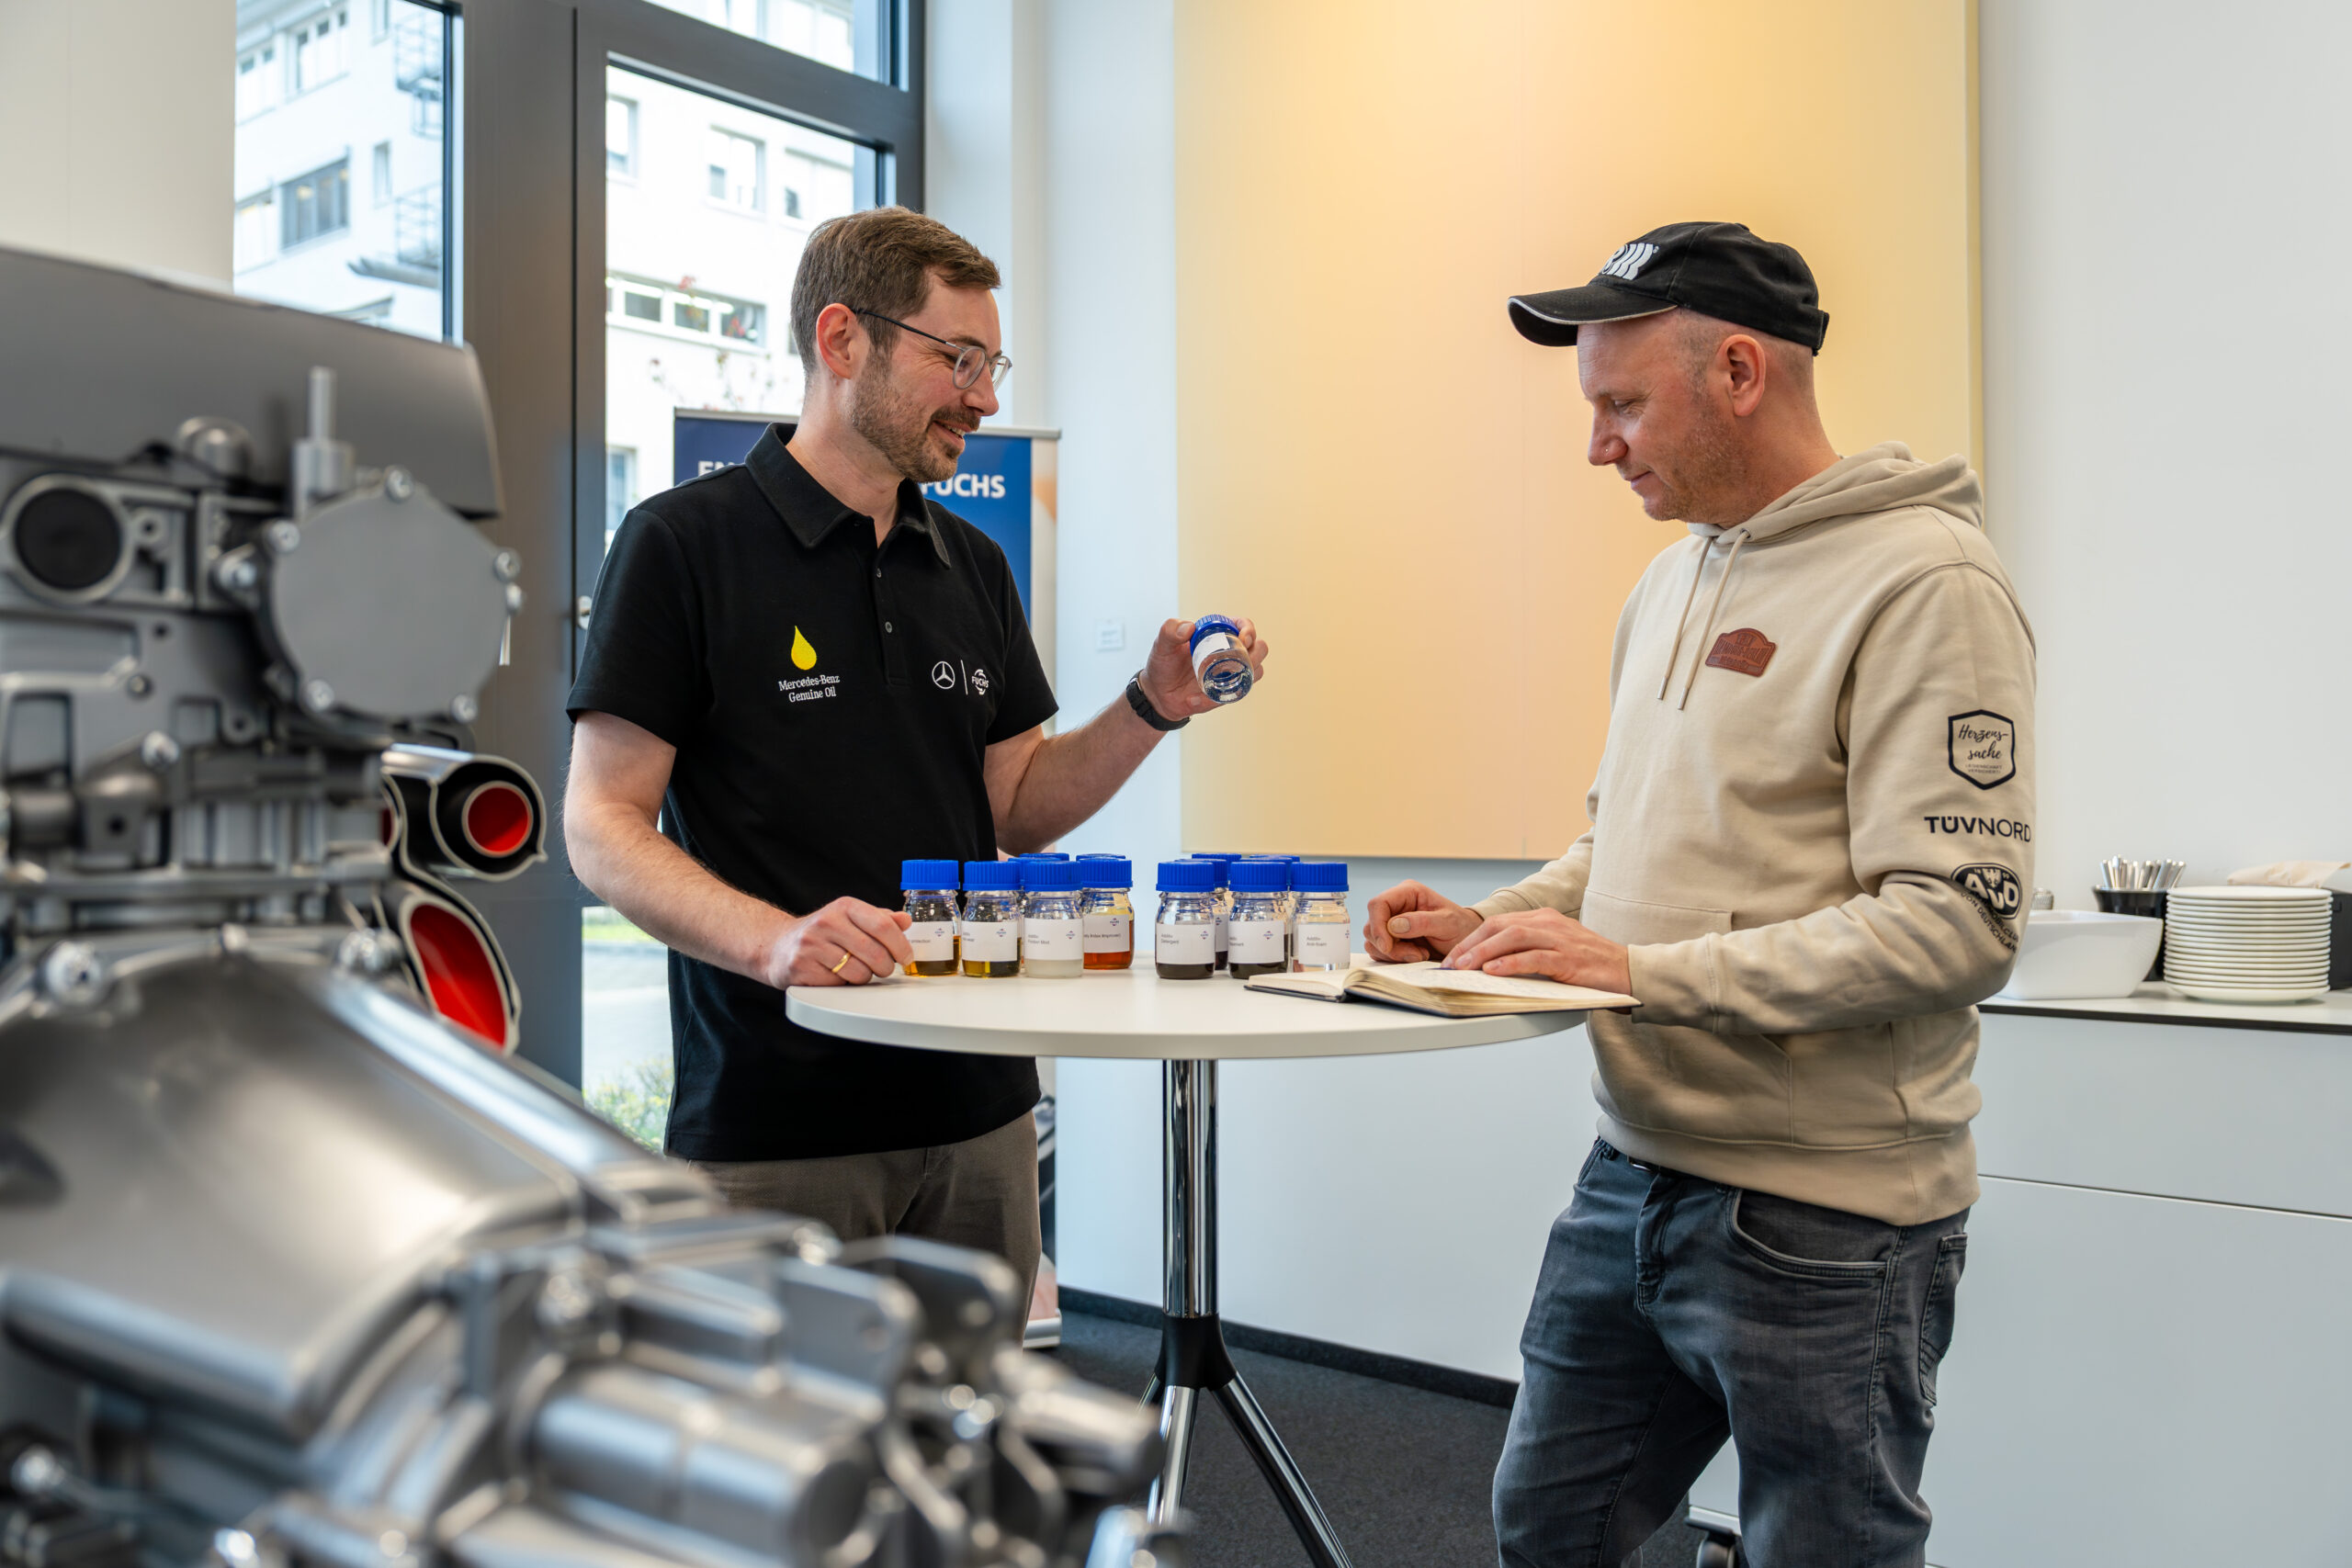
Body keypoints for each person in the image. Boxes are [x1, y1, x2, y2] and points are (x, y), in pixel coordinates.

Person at [1365, 222, 2034, 1567]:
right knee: (1546, 1529)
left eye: (1621, 405)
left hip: (1828, 1219)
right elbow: (1621, 841)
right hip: (1631, 1176)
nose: (1597, 446)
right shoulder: (1671, 578)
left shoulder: (1928, 584)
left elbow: (1958, 922)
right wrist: (1499, 921)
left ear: (1738, 371)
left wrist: (1637, 973)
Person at [565, 207, 1265, 1297]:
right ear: (842, 340)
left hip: (979, 1111)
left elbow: (1013, 803)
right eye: (959, 359)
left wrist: (1150, 706)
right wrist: (775, 941)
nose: (984, 399)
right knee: (784, 1412)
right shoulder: (680, 545)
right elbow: (601, 824)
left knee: (983, 1407)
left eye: (992, 366)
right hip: (778, 1125)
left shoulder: (974, 563)